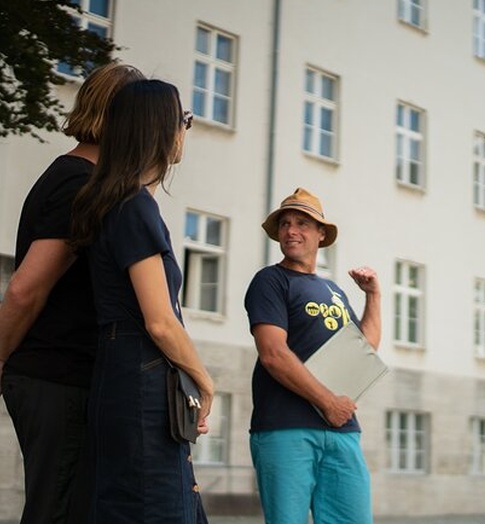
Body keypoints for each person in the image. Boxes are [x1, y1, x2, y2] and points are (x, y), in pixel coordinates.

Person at [0, 62, 144, 524]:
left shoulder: (86, 181)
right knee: (56, 512)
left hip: (64, 377)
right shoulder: (78, 184)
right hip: (56, 376)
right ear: (124, 119)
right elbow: (25, 290)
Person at [68, 79, 213, 523]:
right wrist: (205, 382)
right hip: (142, 377)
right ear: (160, 129)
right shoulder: (133, 206)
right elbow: (160, 322)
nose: (187, 129)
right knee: (155, 507)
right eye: (184, 120)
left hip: (124, 371)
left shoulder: (114, 201)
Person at [244, 187, 381, 524]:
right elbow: (273, 353)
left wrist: (373, 296)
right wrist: (328, 402)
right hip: (285, 428)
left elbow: (363, 352)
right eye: (286, 223)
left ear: (321, 234)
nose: (291, 231)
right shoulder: (270, 281)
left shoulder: (333, 291)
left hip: (342, 432)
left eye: (303, 223)